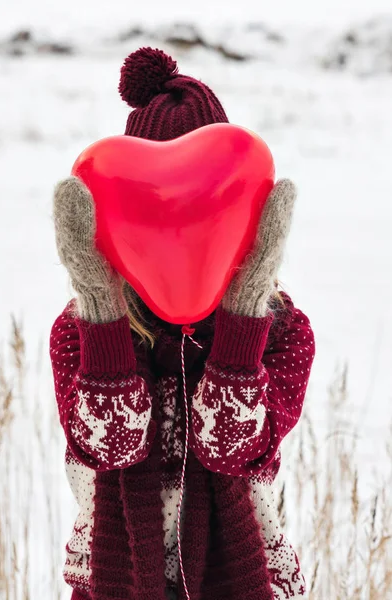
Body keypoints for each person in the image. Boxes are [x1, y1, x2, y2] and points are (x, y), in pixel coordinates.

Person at [50, 47, 316, 600]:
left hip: (241, 578)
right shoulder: (80, 333)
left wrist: (245, 307)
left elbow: (231, 447)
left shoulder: (284, 334)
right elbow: (112, 446)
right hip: (115, 580)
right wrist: (102, 303)